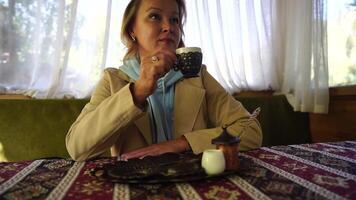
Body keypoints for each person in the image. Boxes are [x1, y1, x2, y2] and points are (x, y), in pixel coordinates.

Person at [66, 0, 262, 162]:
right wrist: (138, 92)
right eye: (154, 16)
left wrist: (181, 144)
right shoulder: (113, 80)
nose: (169, 27)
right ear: (132, 29)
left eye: (175, 20)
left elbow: (250, 130)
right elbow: (77, 148)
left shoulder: (198, 77)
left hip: (195, 184)